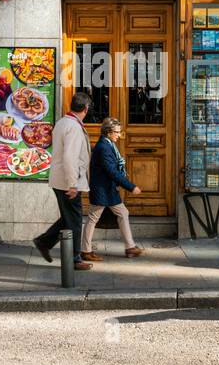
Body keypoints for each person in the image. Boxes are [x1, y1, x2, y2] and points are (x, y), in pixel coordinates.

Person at [34, 92, 94, 271]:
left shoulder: (62, 122)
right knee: (74, 220)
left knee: (68, 217)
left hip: (60, 179)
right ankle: (74, 258)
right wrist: (72, 184)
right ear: (86, 108)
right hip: (68, 182)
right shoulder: (74, 127)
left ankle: (44, 242)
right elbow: (69, 157)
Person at [80, 118, 144, 261]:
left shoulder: (108, 145)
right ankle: (85, 250)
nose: (119, 135)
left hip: (108, 189)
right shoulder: (103, 147)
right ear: (108, 132)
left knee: (122, 213)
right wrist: (130, 186)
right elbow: (112, 171)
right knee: (93, 218)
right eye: (117, 132)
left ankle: (130, 247)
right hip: (102, 189)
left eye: (119, 132)